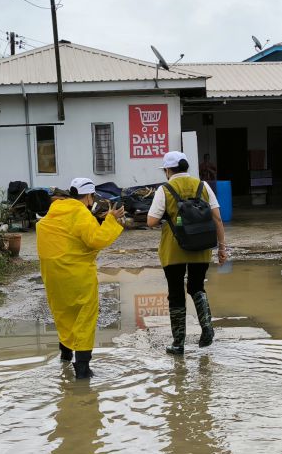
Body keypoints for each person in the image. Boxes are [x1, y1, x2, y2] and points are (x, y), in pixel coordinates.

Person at [37, 177, 125, 379]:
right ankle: (83, 370)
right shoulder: (79, 212)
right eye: (92, 197)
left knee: (63, 314)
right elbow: (96, 239)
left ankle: (65, 359)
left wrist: (98, 219)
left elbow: (71, 235)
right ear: (88, 196)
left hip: (53, 276)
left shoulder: (54, 212)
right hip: (77, 275)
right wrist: (111, 219)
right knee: (84, 316)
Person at [146, 151, 228, 356]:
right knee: (197, 287)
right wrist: (222, 248)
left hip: (173, 250)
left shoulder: (164, 189)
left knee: (175, 294)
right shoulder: (203, 186)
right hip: (201, 247)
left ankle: (178, 343)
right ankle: (207, 327)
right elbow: (217, 219)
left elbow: (151, 222)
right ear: (186, 167)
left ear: (167, 170)